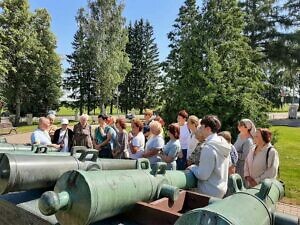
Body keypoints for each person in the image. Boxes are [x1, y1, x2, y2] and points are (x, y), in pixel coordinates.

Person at [187, 115, 231, 198]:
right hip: (220, 190)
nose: (199, 129)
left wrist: (192, 167)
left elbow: (203, 175)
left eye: (202, 127)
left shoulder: (208, 147)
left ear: (208, 129)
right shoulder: (222, 143)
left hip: (208, 191)